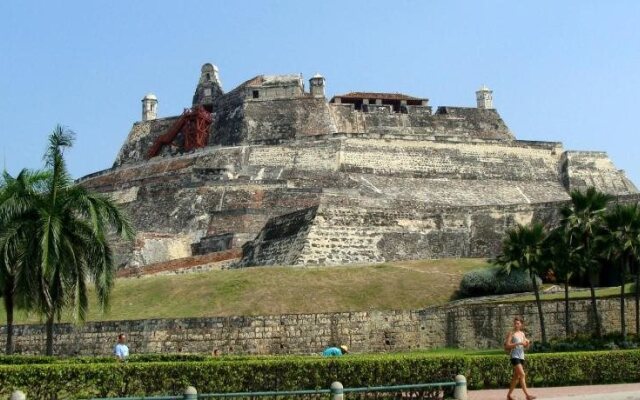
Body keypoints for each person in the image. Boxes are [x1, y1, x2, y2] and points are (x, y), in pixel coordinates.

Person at [505, 316, 535, 400]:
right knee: (522, 374)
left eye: (518, 323)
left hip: (521, 356)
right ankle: (527, 395)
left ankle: (509, 395)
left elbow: (525, 346)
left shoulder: (522, 334)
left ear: (521, 324)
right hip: (514, 356)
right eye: (515, 323)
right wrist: (518, 343)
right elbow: (507, 345)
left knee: (516, 377)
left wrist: (527, 343)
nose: (516, 325)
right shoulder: (511, 333)